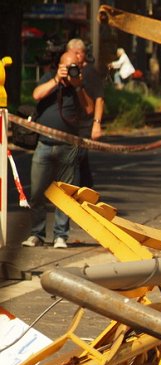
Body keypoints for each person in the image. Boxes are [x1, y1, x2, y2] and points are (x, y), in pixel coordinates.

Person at [21, 50, 94, 249]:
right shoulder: (49, 78)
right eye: (67, 67)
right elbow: (36, 95)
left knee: (65, 194)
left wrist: (78, 86)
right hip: (44, 144)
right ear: (60, 65)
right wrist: (56, 79)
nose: (70, 71)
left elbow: (89, 109)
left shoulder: (78, 85)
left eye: (74, 68)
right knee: (37, 193)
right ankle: (37, 233)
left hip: (68, 147)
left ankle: (61, 235)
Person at [66, 38, 104, 188]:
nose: (76, 57)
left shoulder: (90, 72)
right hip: (71, 122)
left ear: (82, 54)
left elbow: (99, 99)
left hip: (85, 123)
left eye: (78, 53)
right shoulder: (69, 71)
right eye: (72, 53)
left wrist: (97, 124)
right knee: (78, 161)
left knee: (78, 158)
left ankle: (85, 189)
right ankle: (83, 190)